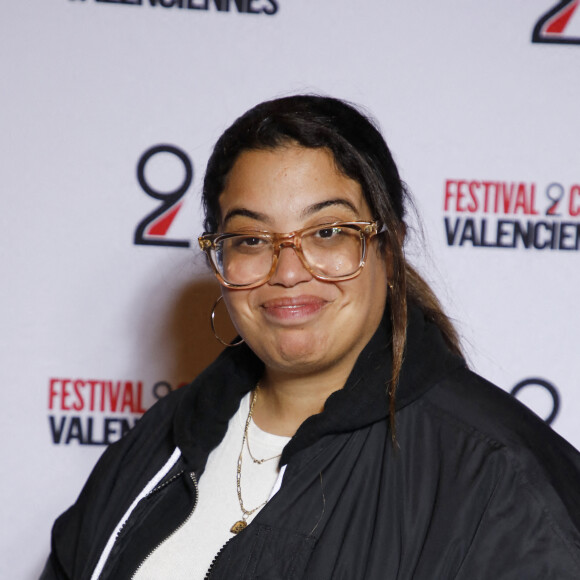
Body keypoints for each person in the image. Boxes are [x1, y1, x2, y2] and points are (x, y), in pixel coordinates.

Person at [41, 95, 580, 580]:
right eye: (251, 239)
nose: (289, 270)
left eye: (327, 232)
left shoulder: (498, 475)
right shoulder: (162, 440)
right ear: (221, 259)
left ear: (388, 246)